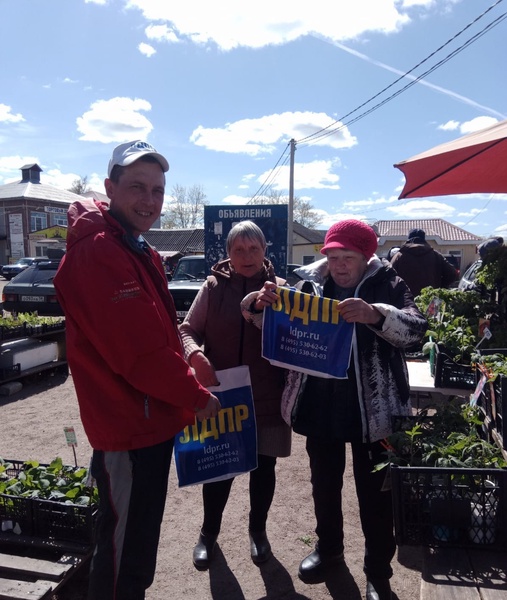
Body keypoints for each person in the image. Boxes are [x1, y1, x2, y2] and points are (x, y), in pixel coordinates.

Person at [54, 140, 221, 600]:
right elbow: (139, 355)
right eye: (137, 188)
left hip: (148, 422)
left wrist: (188, 352)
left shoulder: (134, 247)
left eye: (158, 190)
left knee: (136, 543)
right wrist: (196, 396)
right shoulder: (101, 252)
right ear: (110, 188)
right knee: (121, 552)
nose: (150, 200)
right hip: (128, 427)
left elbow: (158, 328)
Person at [242, 219, 427, 600]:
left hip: (374, 413)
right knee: (324, 487)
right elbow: (279, 329)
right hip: (320, 406)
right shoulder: (308, 285)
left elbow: (417, 330)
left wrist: (376, 314)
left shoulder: (388, 283)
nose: (340, 265)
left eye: (349, 257)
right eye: (334, 256)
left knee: (375, 494)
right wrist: (260, 308)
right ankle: (329, 551)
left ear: (366, 257)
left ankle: (378, 571)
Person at [179, 220, 291, 570]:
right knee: (219, 470)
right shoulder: (212, 287)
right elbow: (187, 330)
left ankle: (258, 532)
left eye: (253, 249)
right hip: (222, 396)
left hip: (268, 397)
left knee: (264, 468)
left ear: (265, 251)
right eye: (238, 250)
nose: (246, 256)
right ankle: (207, 535)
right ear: (227, 254)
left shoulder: (282, 289)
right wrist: (196, 356)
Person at [390, 228, 458, 296]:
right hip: (429, 301)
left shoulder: (399, 257)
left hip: (405, 302)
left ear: (408, 239)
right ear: (423, 239)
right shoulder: (436, 256)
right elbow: (452, 274)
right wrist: (439, 287)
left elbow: (389, 278)